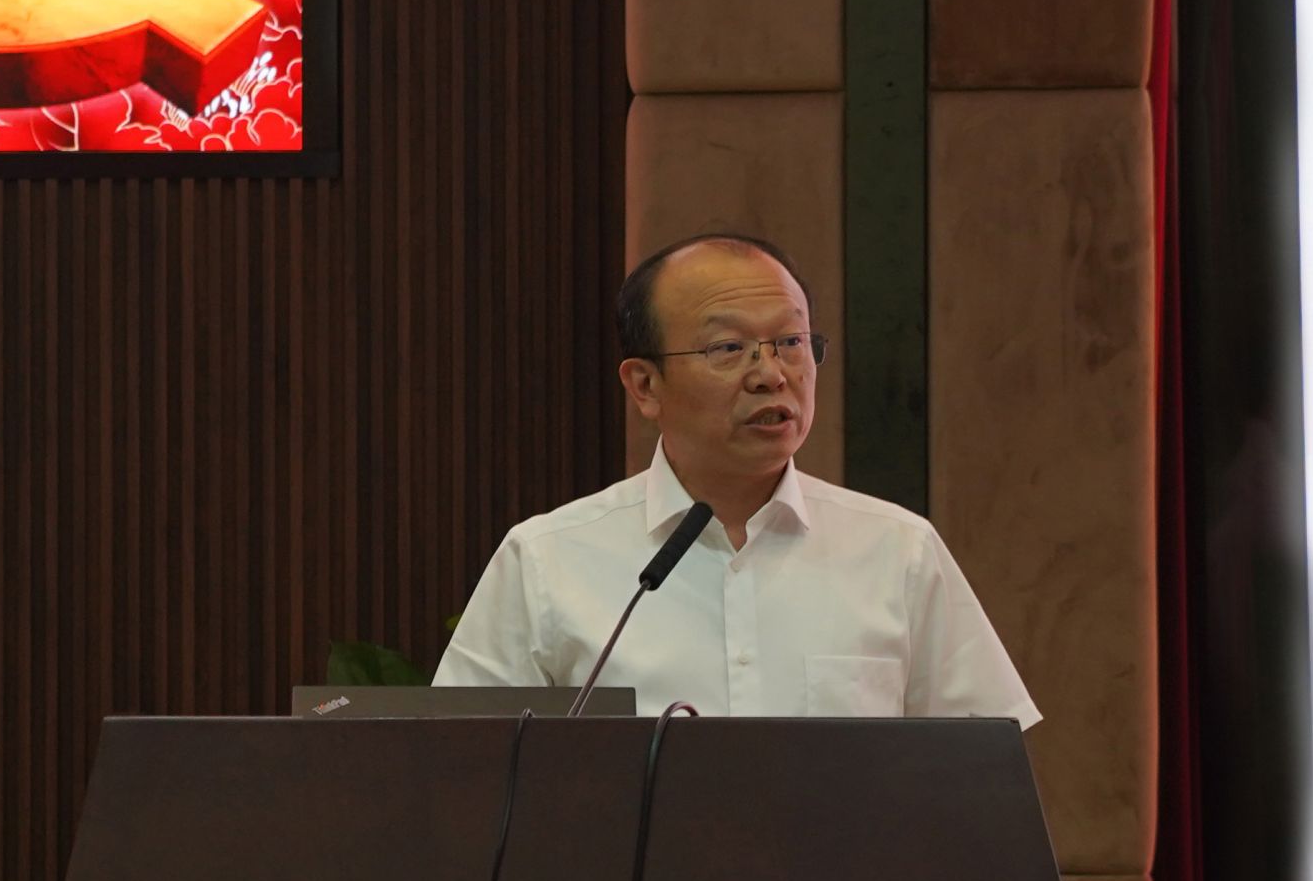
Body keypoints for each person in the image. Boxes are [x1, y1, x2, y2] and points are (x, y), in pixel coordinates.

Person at [433, 233, 1039, 727]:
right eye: (727, 348)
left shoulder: (898, 550)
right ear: (645, 385)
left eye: (791, 342)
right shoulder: (547, 560)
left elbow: (980, 777)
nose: (771, 374)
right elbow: (465, 773)